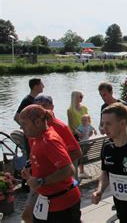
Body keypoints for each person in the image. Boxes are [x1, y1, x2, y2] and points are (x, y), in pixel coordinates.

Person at [20, 95, 82, 223]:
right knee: (27, 217)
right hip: (46, 199)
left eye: (24, 124)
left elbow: (68, 170)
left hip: (62, 202)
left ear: (37, 122)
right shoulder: (35, 137)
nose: (21, 128)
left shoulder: (49, 140)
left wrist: (41, 181)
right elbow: (43, 159)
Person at [76, 114, 96, 179]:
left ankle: (83, 158)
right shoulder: (81, 126)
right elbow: (76, 129)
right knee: (83, 153)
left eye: (85, 120)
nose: (83, 121)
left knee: (83, 154)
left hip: (86, 142)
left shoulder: (89, 126)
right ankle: (83, 157)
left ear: (89, 121)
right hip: (83, 142)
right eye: (82, 120)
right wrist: (79, 133)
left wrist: (94, 131)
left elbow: (93, 129)